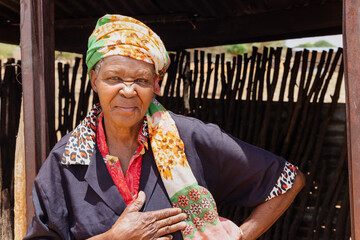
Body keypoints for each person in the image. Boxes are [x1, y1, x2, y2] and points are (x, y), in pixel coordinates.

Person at [24, 14, 305, 240]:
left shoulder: (187, 138)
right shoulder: (66, 161)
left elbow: (289, 180)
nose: (128, 90)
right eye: (114, 78)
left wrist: (243, 235)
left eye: (142, 81)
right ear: (93, 79)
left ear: (156, 85)